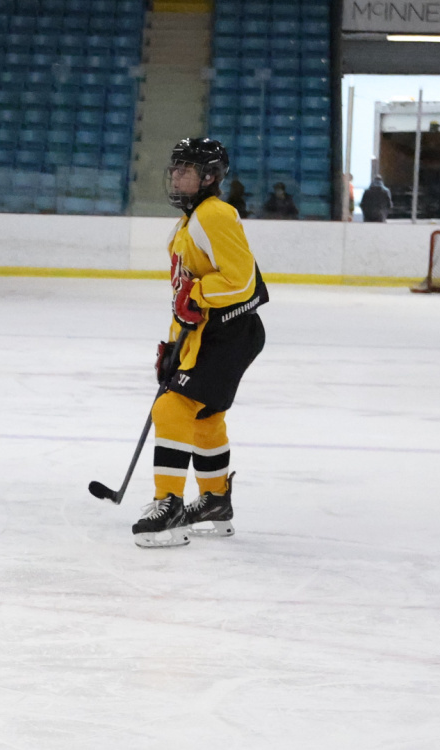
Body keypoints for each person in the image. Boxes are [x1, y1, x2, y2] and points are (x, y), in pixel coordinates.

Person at [133, 136, 267, 549]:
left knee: (171, 407)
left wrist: (197, 296)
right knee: (205, 417)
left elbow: (241, 281)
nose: (175, 176)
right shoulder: (191, 219)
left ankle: (169, 503)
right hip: (213, 334)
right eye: (174, 169)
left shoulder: (215, 214)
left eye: (185, 170)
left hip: (230, 330)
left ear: (209, 177)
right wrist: (175, 347)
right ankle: (214, 502)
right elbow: (185, 295)